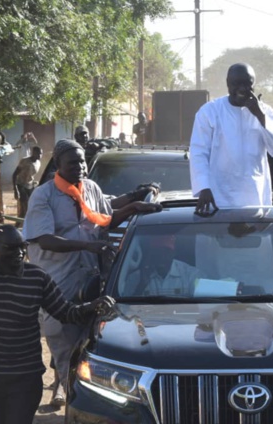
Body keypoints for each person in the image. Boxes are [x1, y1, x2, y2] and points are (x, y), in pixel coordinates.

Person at [0, 215, 116, 424]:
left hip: (25, 376)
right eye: (11, 248)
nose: (19, 253)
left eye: (22, 247)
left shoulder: (37, 277)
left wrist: (91, 306)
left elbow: (65, 312)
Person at [23, 139, 161, 406]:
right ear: (58, 165)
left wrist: (134, 205)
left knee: (88, 341)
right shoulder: (44, 195)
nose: (80, 167)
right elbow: (45, 239)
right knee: (61, 340)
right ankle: (69, 395)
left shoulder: (91, 189)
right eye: (73, 162)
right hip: (57, 282)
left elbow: (105, 217)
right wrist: (88, 244)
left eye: (83, 161)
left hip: (91, 279)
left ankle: (79, 396)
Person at [190, 63, 273, 213]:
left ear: (254, 84)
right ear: (228, 84)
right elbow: (199, 152)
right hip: (219, 201)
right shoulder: (210, 112)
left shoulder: (265, 111)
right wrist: (204, 187)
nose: (242, 89)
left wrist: (259, 115)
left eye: (247, 84)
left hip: (255, 201)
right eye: (236, 84)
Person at [123, 235, 202, 296]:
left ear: (173, 253)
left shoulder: (191, 275)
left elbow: (201, 307)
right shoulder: (136, 277)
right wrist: (142, 285)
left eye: (166, 251)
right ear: (152, 253)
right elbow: (125, 309)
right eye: (158, 251)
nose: (162, 256)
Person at [12, 146, 42, 218]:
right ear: (33, 153)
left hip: (30, 186)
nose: (40, 155)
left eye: (41, 154)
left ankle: (20, 223)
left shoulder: (38, 163)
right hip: (21, 185)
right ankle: (22, 223)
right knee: (25, 206)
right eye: (38, 153)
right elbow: (15, 174)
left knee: (31, 206)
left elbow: (32, 175)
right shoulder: (24, 161)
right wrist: (15, 189)